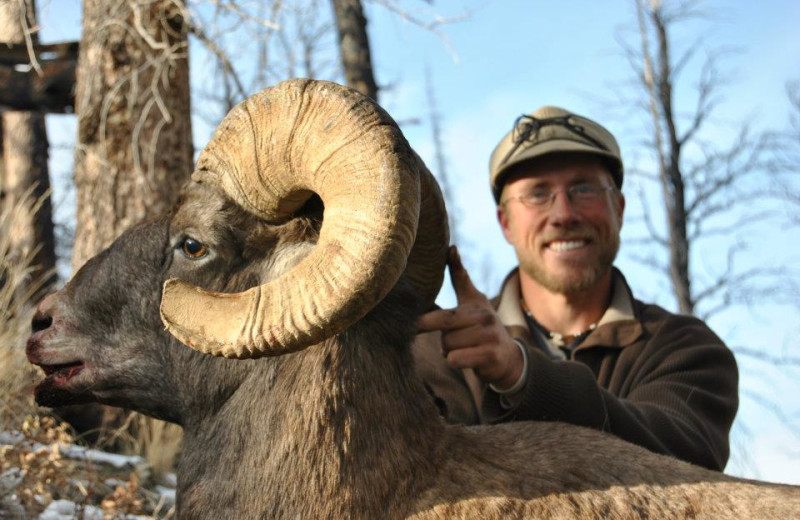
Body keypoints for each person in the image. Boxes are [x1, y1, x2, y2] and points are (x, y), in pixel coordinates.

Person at [413, 105, 738, 471]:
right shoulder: (438, 352)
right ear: (505, 223)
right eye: (537, 194)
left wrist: (521, 376)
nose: (564, 214)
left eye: (583, 188)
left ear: (619, 208)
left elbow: (685, 466)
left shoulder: (683, 347)